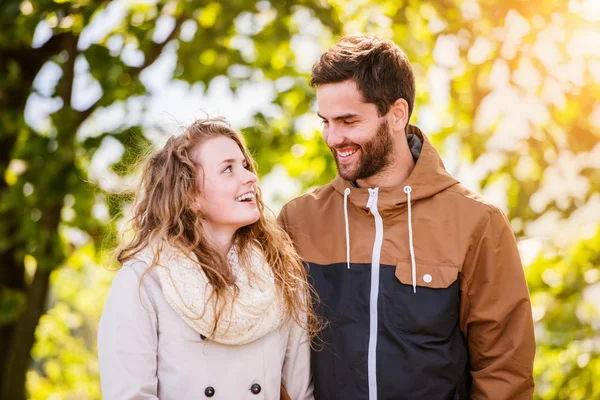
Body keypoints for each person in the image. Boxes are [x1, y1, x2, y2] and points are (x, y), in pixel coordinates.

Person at [278, 34, 536, 400]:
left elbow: (504, 371)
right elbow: (275, 354)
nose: (333, 138)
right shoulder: (299, 220)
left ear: (397, 114)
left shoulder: (477, 222)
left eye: (348, 121)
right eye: (326, 121)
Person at [98, 118, 317, 400]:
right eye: (228, 169)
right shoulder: (143, 283)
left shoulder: (281, 276)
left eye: (245, 165)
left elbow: (301, 394)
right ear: (190, 196)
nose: (250, 177)